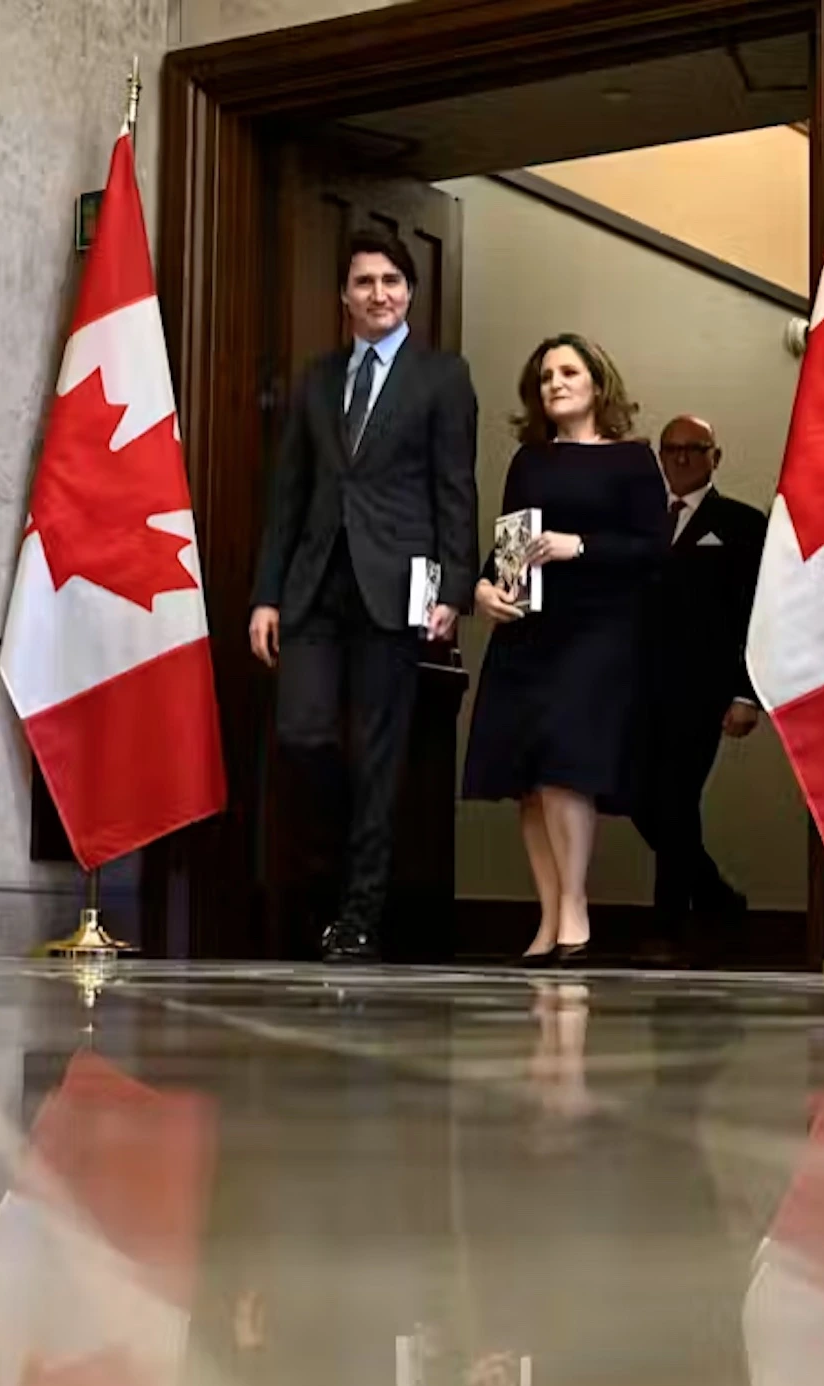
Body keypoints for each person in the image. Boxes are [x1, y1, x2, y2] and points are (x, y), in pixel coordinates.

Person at [250, 229, 479, 964]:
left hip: (397, 587)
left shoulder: (442, 377)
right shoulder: (318, 380)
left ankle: (358, 915)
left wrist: (451, 583)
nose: (378, 293)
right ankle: (339, 868)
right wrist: (267, 595)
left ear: (410, 292)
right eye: (363, 282)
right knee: (303, 735)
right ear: (343, 296)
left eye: (391, 281)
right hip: (316, 586)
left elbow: (455, 487)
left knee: (382, 755)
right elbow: (288, 496)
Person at [461, 335, 667, 965]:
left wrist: (579, 546)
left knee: (564, 764)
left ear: (598, 384)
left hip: (599, 631)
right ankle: (550, 919)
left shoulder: (634, 460)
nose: (555, 382)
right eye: (545, 374)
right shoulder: (530, 461)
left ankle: (575, 911)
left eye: (569, 371)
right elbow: (508, 548)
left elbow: (654, 550)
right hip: (528, 630)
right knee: (528, 778)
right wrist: (483, 589)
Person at [633, 415, 769, 956]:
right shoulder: (639, 520)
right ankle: (714, 895)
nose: (682, 457)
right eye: (672, 449)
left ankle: (667, 928)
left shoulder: (740, 524)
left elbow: (756, 614)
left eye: (695, 448)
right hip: (636, 689)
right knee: (641, 799)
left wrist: (746, 694)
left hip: (702, 693)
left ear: (717, 456)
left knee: (675, 799)